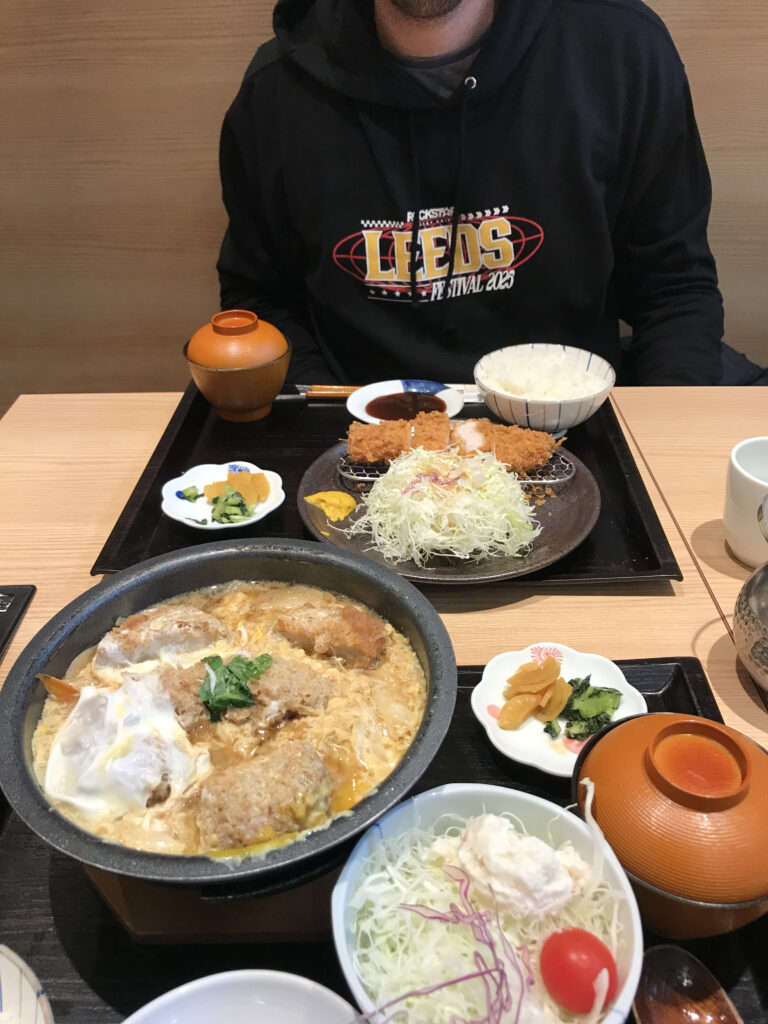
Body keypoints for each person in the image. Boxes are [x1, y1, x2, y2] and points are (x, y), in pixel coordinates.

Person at [216, 0, 727, 386]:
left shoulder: (620, 51)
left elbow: (673, 288)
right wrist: (330, 430)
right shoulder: (277, 93)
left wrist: (655, 444)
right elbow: (260, 304)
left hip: (573, 430)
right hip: (357, 441)